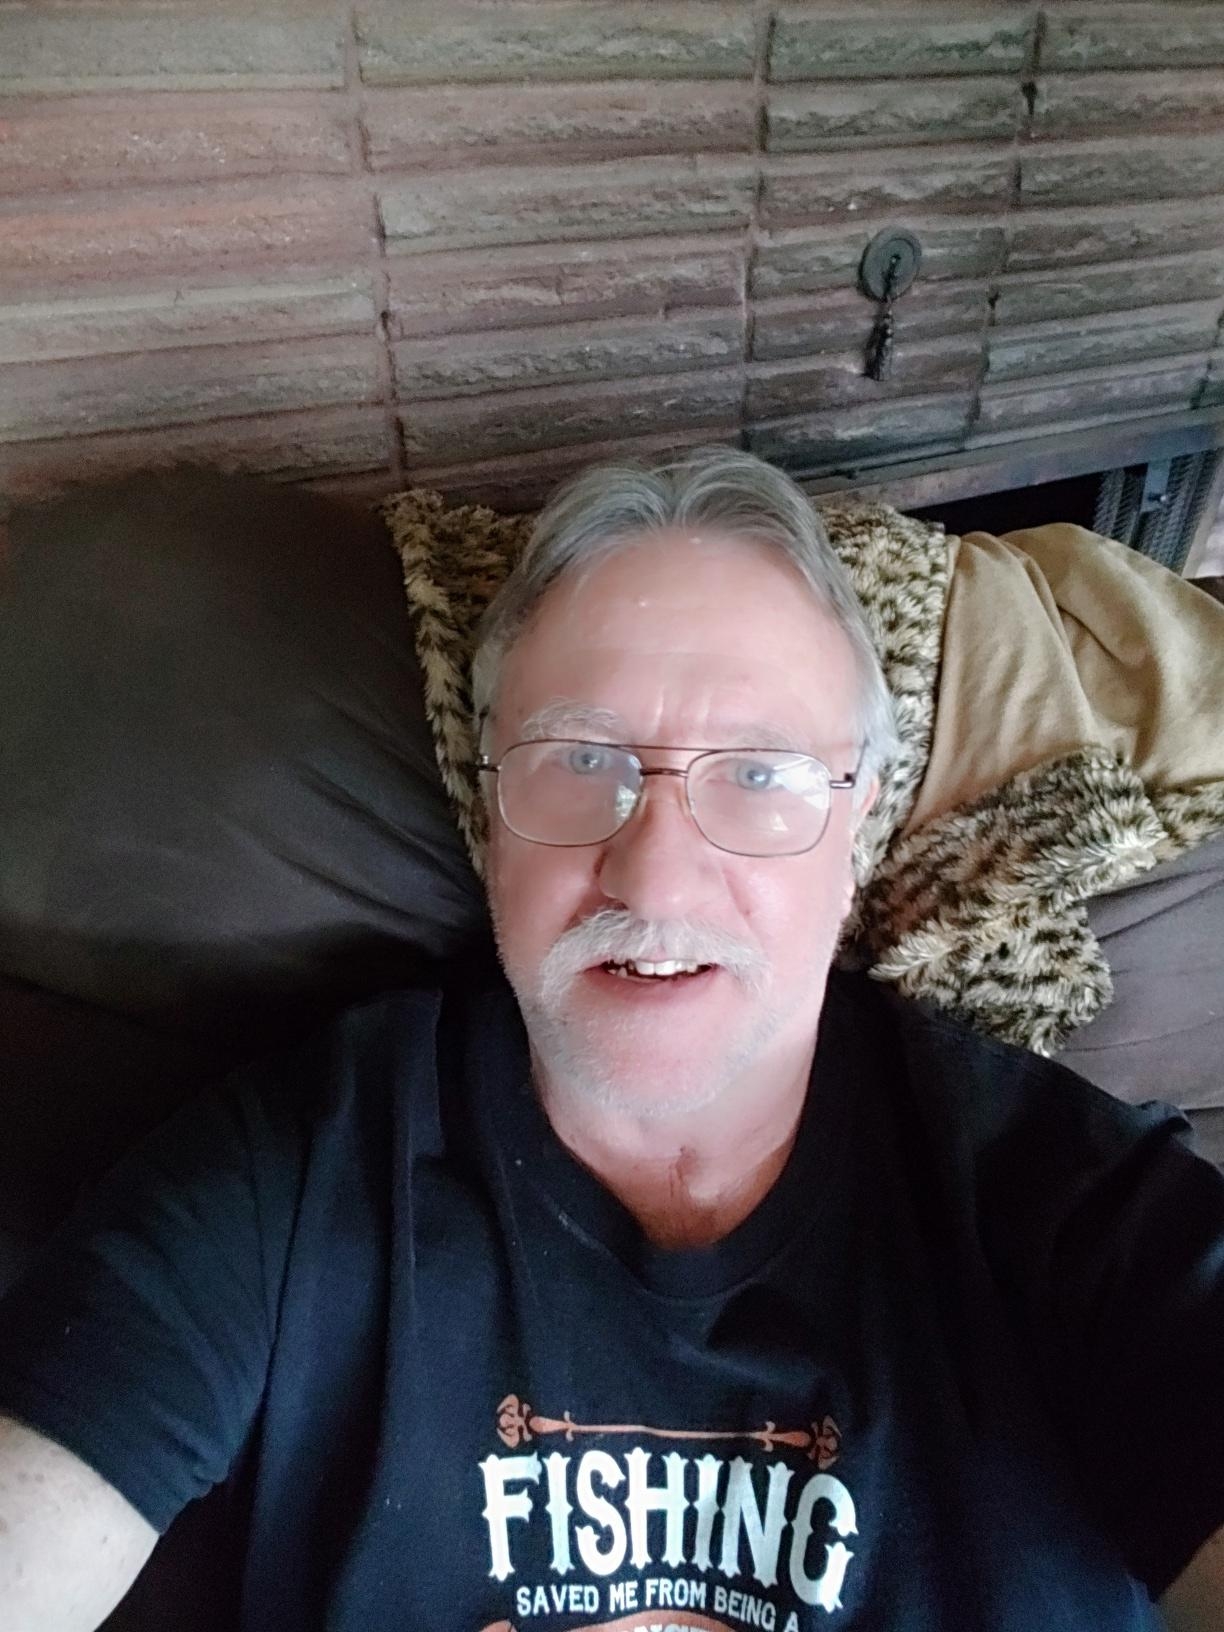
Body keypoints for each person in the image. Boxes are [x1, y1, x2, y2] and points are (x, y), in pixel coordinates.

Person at [0, 448, 1222, 1632]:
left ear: (853, 839)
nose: (657, 875)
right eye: (581, 761)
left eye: (758, 775)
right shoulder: (293, 1177)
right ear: (491, 818)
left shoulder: (1080, 1217)